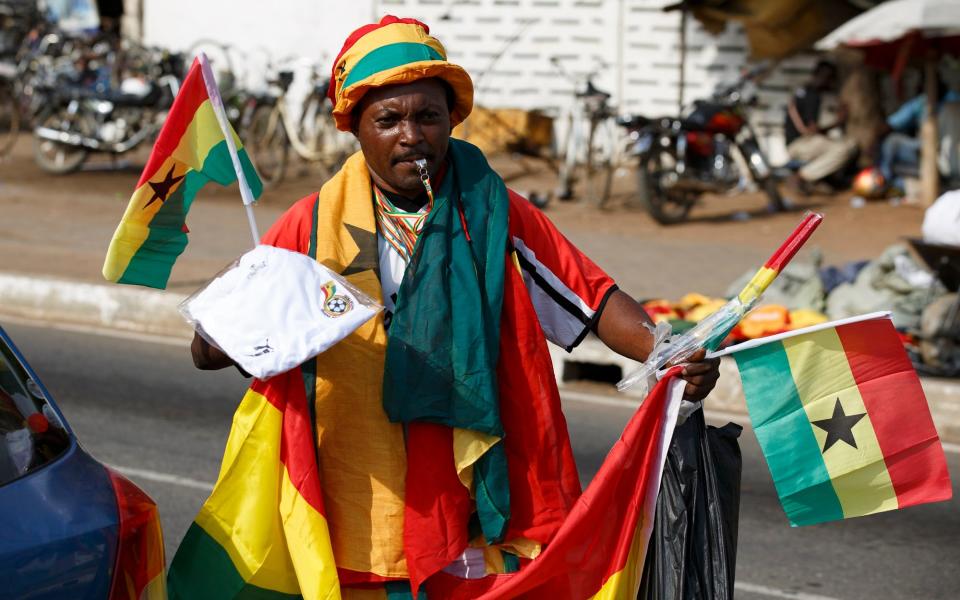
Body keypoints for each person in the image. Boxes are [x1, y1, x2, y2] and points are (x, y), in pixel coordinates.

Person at [190, 15, 721, 596]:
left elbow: (588, 296)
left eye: (428, 116)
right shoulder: (311, 224)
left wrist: (668, 353)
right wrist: (243, 307)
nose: (411, 135)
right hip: (360, 480)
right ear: (356, 128)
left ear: (451, 121)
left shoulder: (493, 207)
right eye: (388, 119)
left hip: (474, 476)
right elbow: (207, 353)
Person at [784, 60, 858, 191]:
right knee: (844, 149)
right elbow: (812, 130)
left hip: (799, 143)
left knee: (849, 144)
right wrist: (838, 122)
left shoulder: (803, 91)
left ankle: (824, 179)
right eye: (830, 79)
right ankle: (802, 176)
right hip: (800, 144)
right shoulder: (812, 95)